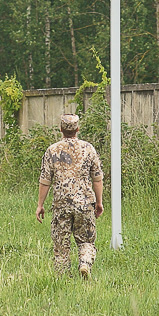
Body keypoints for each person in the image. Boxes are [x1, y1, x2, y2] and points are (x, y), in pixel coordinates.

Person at [36, 113, 104, 279]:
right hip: (85, 203)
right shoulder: (88, 149)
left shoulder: (52, 150)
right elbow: (97, 178)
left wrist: (40, 205)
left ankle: (63, 278)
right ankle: (85, 263)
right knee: (86, 240)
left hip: (61, 204)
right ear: (77, 129)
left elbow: (45, 180)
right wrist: (99, 202)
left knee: (61, 245)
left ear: (61, 129)